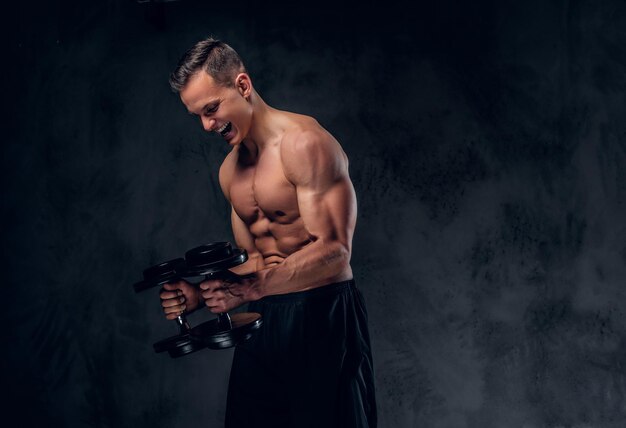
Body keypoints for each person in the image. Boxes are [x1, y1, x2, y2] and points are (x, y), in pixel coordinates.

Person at [159, 37, 376, 428]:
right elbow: (256, 261)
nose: (207, 126)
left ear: (242, 86)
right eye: (198, 116)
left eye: (211, 109)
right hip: (265, 316)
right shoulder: (229, 172)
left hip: (322, 313)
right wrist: (200, 295)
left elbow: (334, 252)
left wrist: (250, 288)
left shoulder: (305, 144)